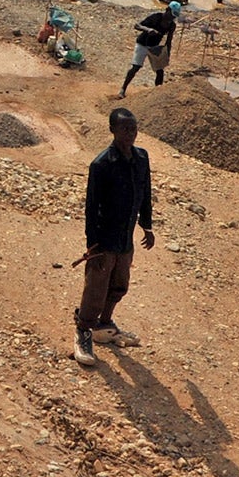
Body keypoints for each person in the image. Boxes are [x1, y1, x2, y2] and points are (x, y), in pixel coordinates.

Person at [72, 107, 155, 361]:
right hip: (105, 240)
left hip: (125, 240)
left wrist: (147, 226)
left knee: (119, 284)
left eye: (133, 128)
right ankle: (84, 332)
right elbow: (91, 207)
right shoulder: (101, 165)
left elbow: (145, 194)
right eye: (125, 129)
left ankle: (105, 324)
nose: (130, 133)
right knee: (96, 288)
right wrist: (92, 246)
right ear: (112, 130)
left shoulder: (141, 158)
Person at [121, 1, 180, 96]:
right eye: (172, 15)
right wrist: (148, 30)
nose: (172, 18)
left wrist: (167, 53)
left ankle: (157, 93)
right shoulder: (156, 17)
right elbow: (137, 25)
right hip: (142, 43)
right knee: (136, 67)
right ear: (167, 10)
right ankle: (123, 89)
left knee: (160, 71)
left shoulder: (171, 25)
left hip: (154, 47)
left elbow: (169, 40)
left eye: (174, 17)